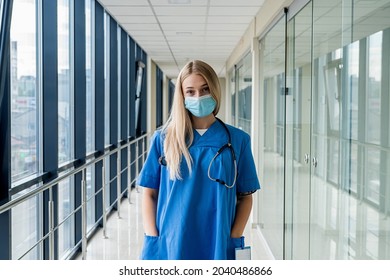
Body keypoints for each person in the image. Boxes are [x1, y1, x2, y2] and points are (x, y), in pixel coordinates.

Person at [137, 60, 260, 260]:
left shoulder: (238, 140)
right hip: (172, 241)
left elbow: (246, 197)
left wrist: (233, 237)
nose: (198, 97)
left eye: (204, 90)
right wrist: (154, 237)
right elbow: (149, 193)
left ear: (214, 90)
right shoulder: (163, 139)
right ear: (182, 96)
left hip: (218, 241)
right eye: (191, 92)